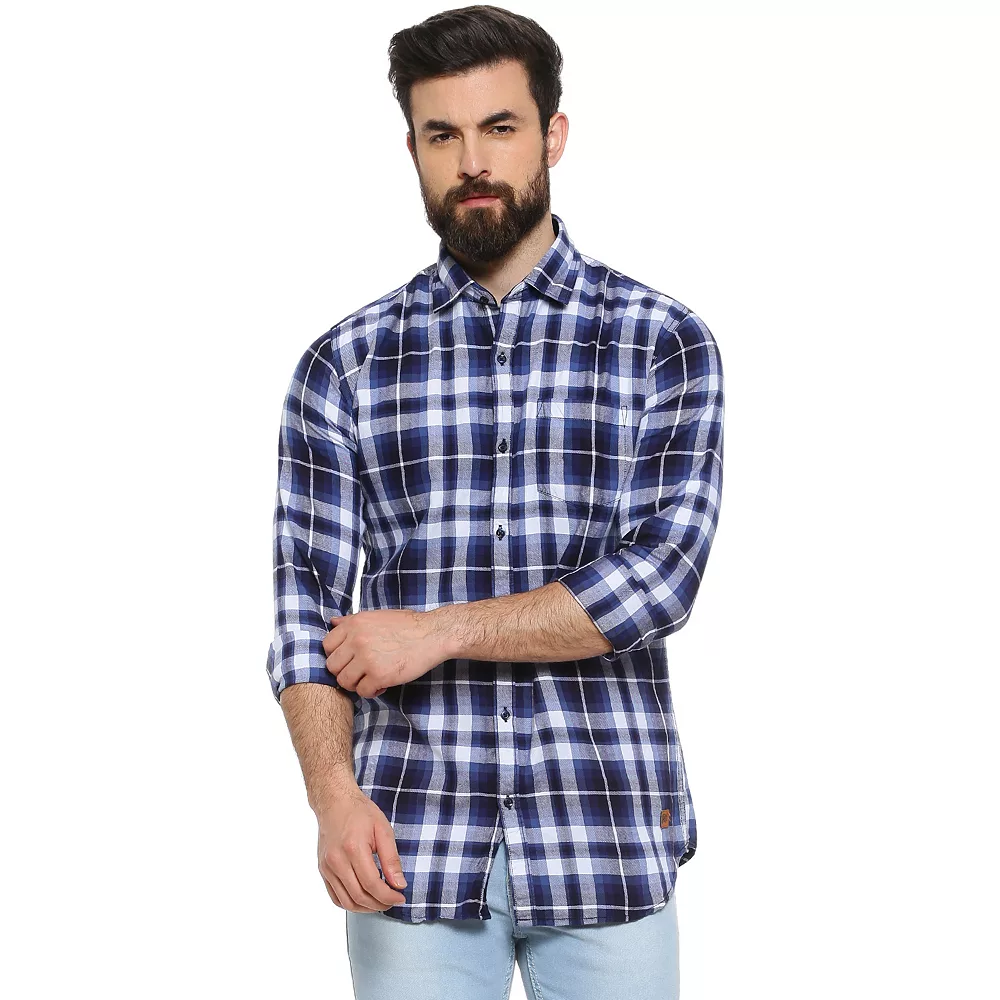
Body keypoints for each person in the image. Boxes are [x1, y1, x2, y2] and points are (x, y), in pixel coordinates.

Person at [265, 6, 724, 998]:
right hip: (409, 846)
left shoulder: (662, 342)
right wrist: (332, 796)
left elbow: (659, 581)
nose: (472, 162)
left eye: (500, 128)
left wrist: (436, 632)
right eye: (443, 134)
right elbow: (304, 608)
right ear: (413, 149)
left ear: (552, 135)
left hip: (605, 833)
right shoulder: (343, 365)